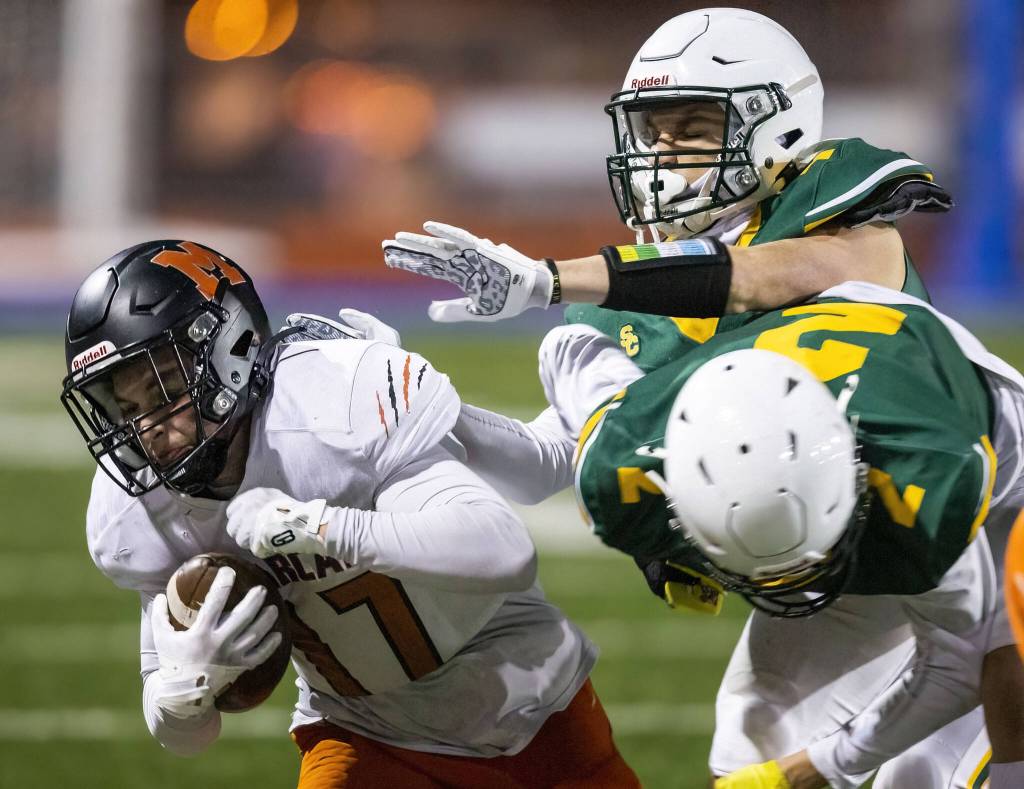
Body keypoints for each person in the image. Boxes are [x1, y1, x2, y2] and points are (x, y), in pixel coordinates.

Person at [60, 239, 639, 788]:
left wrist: (315, 527)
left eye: (161, 391)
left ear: (224, 348)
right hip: (363, 730)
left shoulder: (330, 402)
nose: (146, 431)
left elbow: (503, 549)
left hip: (528, 698)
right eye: (124, 408)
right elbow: (185, 737)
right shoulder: (137, 510)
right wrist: (179, 691)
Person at [534, 281, 1024, 788]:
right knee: (749, 755)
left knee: (935, 770)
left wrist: (812, 769)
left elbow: (956, 663)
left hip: (1004, 486)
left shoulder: (925, 480)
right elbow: (565, 345)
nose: (796, 585)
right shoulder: (618, 467)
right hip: (844, 472)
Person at [383, 7, 952, 376]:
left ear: (780, 126)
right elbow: (559, 455)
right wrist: (421, 408)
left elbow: (754, 275)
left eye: (693, 129)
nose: (660, 154)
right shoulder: (621, 299)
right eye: (650, 133)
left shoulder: (845, 217)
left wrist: (550, 279)